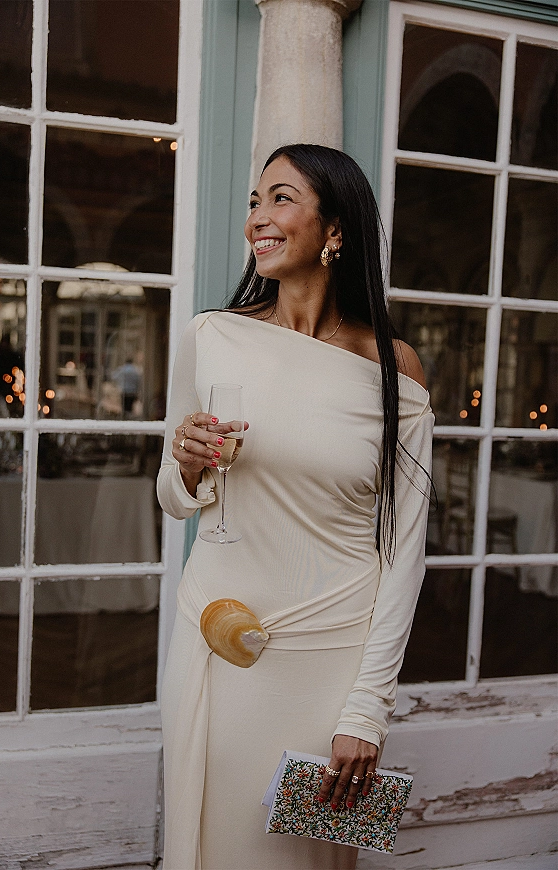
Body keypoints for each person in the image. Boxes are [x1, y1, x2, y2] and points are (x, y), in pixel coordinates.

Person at [157, 144, 433, 870]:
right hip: (217, 641)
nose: (258, 218)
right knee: (220, 846)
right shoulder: (213, 336)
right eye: (254, 201)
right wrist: (184, 466)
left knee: (306, 857)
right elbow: (172, 499)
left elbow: (404, 549)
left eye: (281, 198)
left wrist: (366, 710)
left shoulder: (392, 367)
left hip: (331, 659)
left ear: (335, 228)